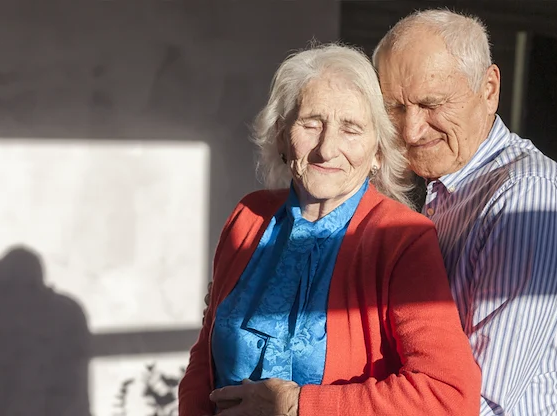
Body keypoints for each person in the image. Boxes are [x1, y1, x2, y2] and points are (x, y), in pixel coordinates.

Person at [178, 43, 480, 416]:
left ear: (378, 152)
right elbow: (205, 351)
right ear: (281, 134)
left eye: (351, 129)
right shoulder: (249, 216)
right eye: (311, 124)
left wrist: (297, 405)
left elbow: (447, 395)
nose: (327, 149)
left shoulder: (402, 240)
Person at [373, 9, 557, 415]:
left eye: (431, 104)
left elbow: (477, 400)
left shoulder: (530, 196)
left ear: (489, 89)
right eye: (395, 109)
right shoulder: (435, 188)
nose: (411, 130)